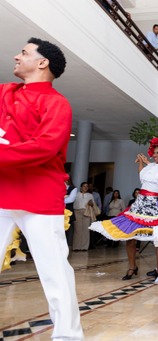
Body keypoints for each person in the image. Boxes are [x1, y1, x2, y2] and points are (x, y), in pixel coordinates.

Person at [0, 37, 83, 340]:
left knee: (53, 272)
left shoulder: (57, 103)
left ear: (42, 62)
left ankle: (67, 336)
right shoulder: (4, 92)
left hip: (39, 194)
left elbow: (45, 147)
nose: (16, 56)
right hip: (2, 191)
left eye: (23, 53)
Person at [89, 139, 158, 282]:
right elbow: (143, 176)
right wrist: (141, 162)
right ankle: (132, 267)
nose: (154, 155)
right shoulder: (149, 167)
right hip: (139, 204)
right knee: (129, 237)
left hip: (154, 206)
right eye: (154, 153)